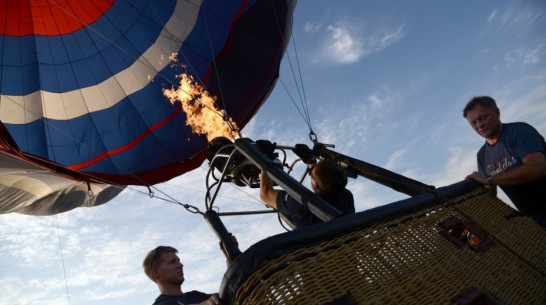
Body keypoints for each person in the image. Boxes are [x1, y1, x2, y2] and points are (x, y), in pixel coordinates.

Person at [463, 96, 546, 227]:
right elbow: (490, 193)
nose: (479, 125)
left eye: (483, 118)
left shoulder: (519, 131)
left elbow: (538, 168)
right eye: (474, 123)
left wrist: (489, 179)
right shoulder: (482, 156)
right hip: (535, 224)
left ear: (497, 113)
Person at [260, 158, 355, 228]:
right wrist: (312, 163)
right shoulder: (346, 197)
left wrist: (264, 159)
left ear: (316, 185)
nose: (310, 173)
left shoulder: (300, 204)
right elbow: (327, 180)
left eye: (311, 174)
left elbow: (266, 194)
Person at [143, 246, 221, 305]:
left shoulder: (195, 295)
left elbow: (228, 292)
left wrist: (229, 255)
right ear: (156, 273)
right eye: (172, 262)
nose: (180, 265)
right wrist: (207, 303)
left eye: (178, 261)